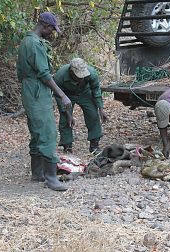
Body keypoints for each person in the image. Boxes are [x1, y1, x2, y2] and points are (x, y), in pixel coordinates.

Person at [17, 12, 71, 191]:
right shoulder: (34, 44)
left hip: (29, 89)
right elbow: (44, 74)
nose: (52, 33)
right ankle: (51, 178)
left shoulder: (26, 41)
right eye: (51, 29)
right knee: (47, 132)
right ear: (44, 25)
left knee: (37, 131)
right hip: (37, 91)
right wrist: (62, 94)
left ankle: (37, 173)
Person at [54, 58, 108, 154]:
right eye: (79, 76)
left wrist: (101, 108)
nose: (82, 78)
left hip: (85, 92)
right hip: (66, 95)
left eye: (83, 76)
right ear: (71, 72)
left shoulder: (92, 73)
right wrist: (68, 114)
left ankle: (94, 145)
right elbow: (59, 96)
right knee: (65, 120)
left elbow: (96, 90)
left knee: (93, 115)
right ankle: (67, 146)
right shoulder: (60, 76)